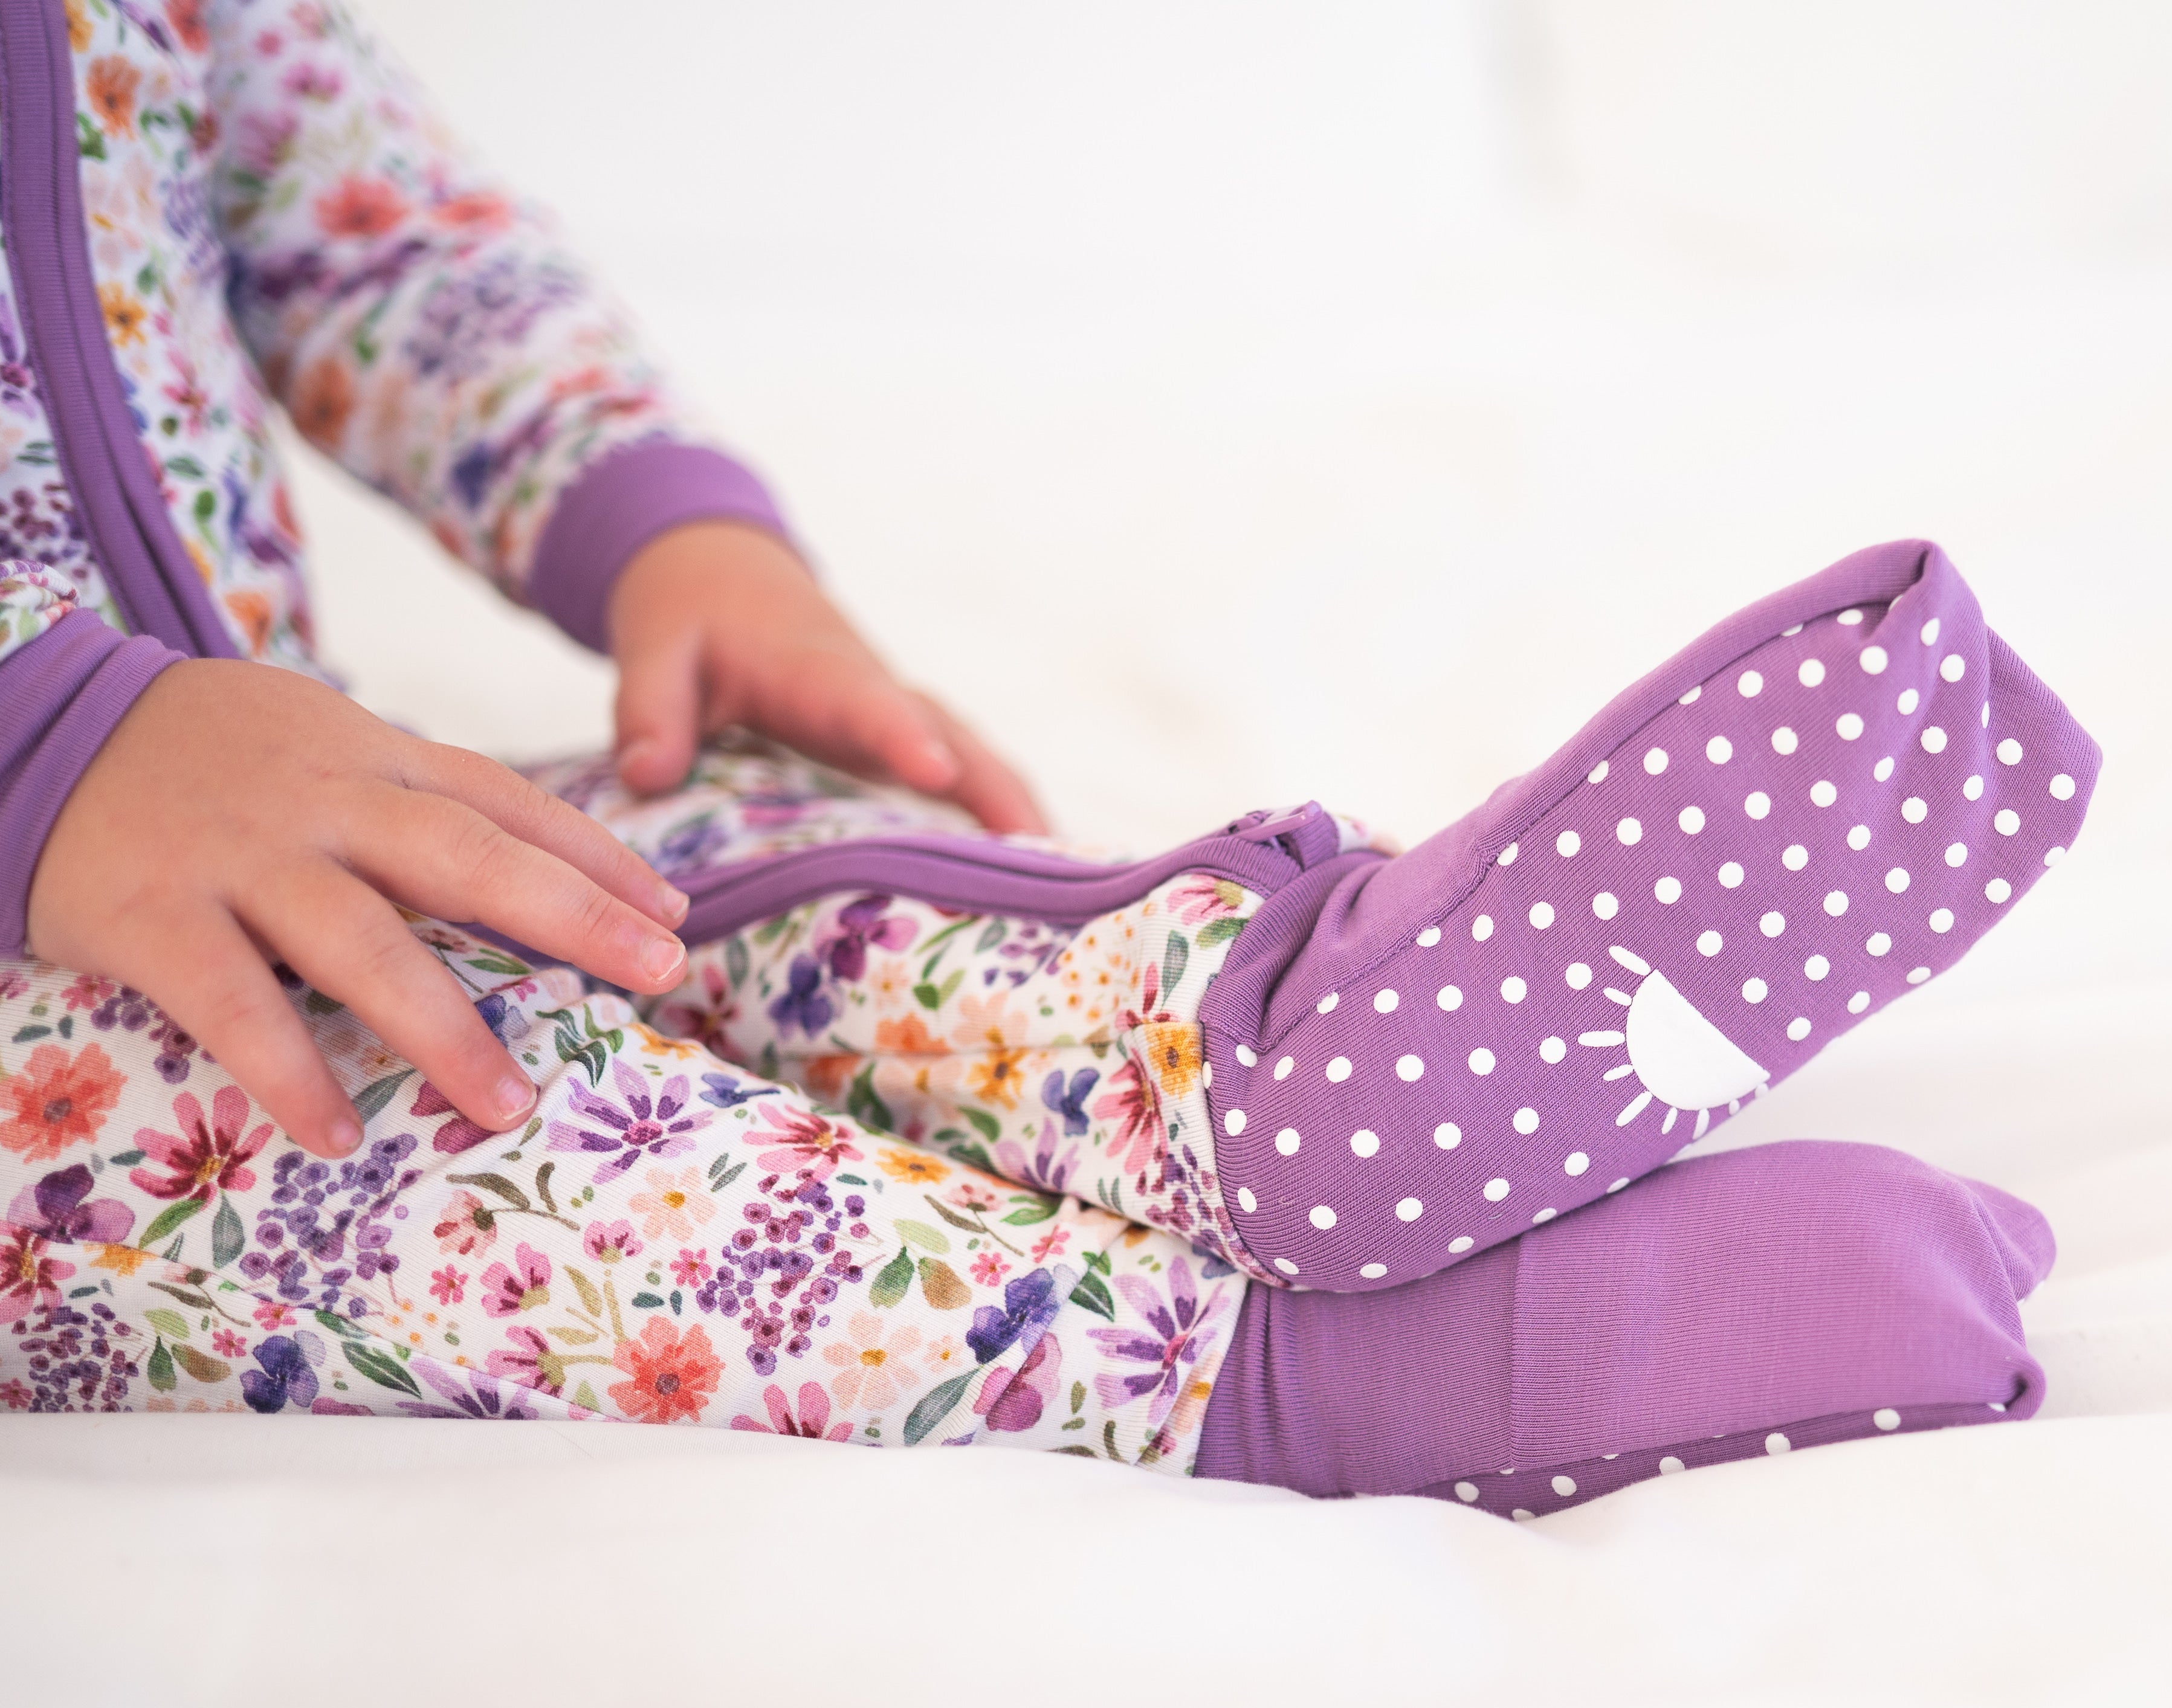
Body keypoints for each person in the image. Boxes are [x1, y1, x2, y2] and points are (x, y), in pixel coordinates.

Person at [0, 0, 2095, 1514]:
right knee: (453, 1139)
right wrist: (45, 743)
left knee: (703, 865)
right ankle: (1287, 1375)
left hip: (294, 794)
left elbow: (373, 230)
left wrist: (663, 520)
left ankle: (1245, 1050)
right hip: (53, 1024)